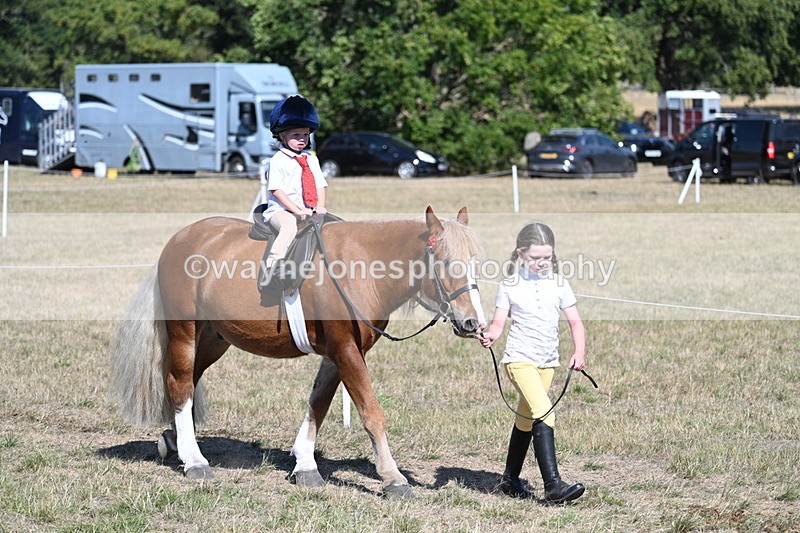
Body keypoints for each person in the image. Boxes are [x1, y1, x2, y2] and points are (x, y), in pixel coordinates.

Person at [478, 222, 586, 503]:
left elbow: (575, 322)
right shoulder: (510, 285)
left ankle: (510, 479)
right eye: (535, 257)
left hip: (547, 363)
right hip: (519, 360)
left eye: (547, 257)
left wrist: (580, 351)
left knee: (526, 419)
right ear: (520, 254)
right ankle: (553, 486)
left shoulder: (560, 283)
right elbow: (499, 323)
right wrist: (491, 334)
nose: (542, 262)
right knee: (544, 412)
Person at [262, 95, 328, 268]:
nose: (302, 139)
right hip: (282, 210)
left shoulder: (311, 159)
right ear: (282, 135)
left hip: (309, 209)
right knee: (289, 227)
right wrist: (296, 210)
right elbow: (276, 190)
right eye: (296, 134)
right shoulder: (279, 159)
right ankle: (274, 263)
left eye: (306, 134)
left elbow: (320, 184)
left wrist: (320, 206)